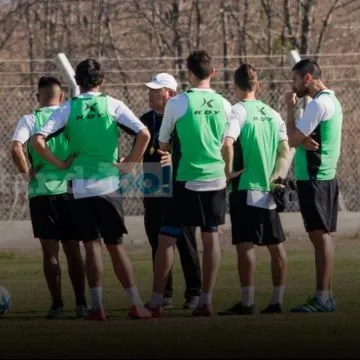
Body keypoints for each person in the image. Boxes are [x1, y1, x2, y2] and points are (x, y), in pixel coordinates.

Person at [31, 59, 152, 320]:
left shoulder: (68, 109)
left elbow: (38, 140)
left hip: (80, 188)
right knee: (115, 246)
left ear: (78, 80)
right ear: (102, 80)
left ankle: (97, 307)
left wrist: (61, 164)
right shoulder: (113, 105)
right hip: (108, 185)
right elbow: (144, 134)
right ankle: (136, 304)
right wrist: (130, 164)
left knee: (91, 246)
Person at [145, 50, 232, 317]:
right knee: (210, 237)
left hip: (185, 180)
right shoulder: (225, 104)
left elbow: (162, 142)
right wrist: (226, 172)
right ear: (213, 73)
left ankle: (158, 299)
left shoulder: (178, 102)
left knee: (166, 237)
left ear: (189, 73)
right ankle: (205, 300)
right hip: (216, 179)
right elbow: (227, 144)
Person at [11, 76, 88, 319]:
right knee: (73, 250)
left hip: (42, 193)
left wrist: (26, 174)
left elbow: (16, 147)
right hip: (70, 190)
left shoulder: (30, 119)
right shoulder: (69, 117)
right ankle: (82, 304)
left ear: (37, 97)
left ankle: (57, 306)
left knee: (50, 252)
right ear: (62, 96)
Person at [218, 64, 290, 316]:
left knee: (245, 245)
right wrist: (277, 179)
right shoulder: (273, 114)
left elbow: (228, 144)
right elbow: (284, 152)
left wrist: (227, 173)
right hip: (268, 189)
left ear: (235, 86)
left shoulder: (237, 111)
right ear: (258, 86)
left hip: (245, 187)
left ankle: (247, 302)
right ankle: (277, 300)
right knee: (275, 245)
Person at [285, 59, 343, 313]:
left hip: (315, 178)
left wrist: (289, 109)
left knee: (319, 237)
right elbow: (303, 138)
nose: (293, 84)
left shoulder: (318, 104)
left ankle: (322, 297)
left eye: (296, 79)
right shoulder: (333, 100)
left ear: (307, 78)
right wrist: (304, 139)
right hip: (326, 177)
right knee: (323, 236)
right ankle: (326, 296)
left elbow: (291, 138)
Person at [141, 73, 202, 310]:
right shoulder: (145, 120)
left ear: (171, 94)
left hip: (180, 180)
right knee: (157, 238)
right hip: (153, 181)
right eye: (150, 90)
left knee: (185, 239)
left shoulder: (182, 118)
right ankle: (163, 292)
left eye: (157, 91)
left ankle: (194, 292)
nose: (151, 94)